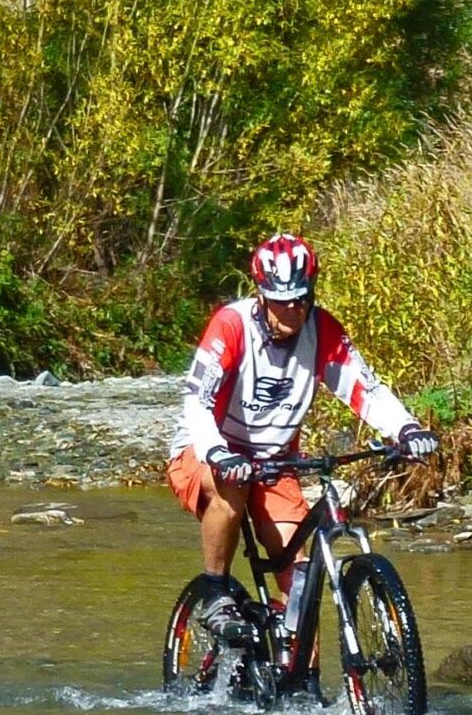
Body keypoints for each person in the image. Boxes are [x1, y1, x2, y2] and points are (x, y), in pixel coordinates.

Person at [167, 233, 437, 639]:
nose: (293, 309)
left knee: (300, 586)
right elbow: (197, 401)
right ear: (261, 294)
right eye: (282, 300)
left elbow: (366, 389)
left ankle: (301, 678)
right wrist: (218, 452)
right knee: (231, 486)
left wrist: (406, 428)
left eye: (301, 298)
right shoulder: (232, 325)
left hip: (276, 462)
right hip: (209, 452)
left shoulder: (321, 329)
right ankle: (216, 593)